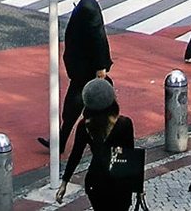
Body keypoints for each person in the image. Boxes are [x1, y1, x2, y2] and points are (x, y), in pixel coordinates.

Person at [47, 0, 111, 157]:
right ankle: (59, 142)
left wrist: (100, 67)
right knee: (75, 109)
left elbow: (98, 37)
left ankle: (62, 143)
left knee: (74, 107)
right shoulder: (86, 4)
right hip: (84, 68)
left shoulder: (87, 8)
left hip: (86, 69)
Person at [58, 78, 140, 211]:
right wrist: (138, 187)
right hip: (119, 182)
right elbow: (130, 155)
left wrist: (64, 183)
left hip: (96, 181)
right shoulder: (124, 124)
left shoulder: (85, 126)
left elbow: (75, 155)